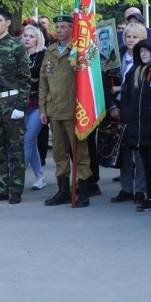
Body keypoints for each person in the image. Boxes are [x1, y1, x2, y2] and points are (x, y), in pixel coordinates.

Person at [39, 14, 95, 207]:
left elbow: (88, 80)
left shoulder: (79, 51)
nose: (60, 30)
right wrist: (42, 109)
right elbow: (43, 82)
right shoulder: (51, 51)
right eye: (58, 27)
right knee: (59, 153)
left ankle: (84, 191)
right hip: (54, 109)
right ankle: (63, 190)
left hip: (74, 110)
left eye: (64, 27)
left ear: (73, 29)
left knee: (80, 152)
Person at [0, 7, 31, 204]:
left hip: (11, 102)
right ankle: (2, 187)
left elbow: (25, 79)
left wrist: (21, 106)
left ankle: (16, 189)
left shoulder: (17, 47)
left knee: (16, 149)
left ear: (8, 23)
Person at [121, 39, 151, 210]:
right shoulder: (136, 71)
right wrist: (127, 115)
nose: (144, 54)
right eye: (141, 52)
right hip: (138, 127)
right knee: (147, 166)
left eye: (147, 51)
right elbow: (127, 96)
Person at [110, 21, 148, 204]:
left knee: (139, 153)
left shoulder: (145, 58)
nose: (131, 40)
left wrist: (121, 89)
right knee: (122, 152)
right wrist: (112, 106)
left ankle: (141, 190)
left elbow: (140, 86)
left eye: (135, 37)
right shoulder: (116, 58)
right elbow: (106, 83)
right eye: (128, 37)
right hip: (119, 111)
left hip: (138, 112)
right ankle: (126, 188)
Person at [22, 23, 47, 191]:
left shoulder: (44, 54)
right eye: (25, 36)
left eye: (31, 36)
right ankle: (39, 175)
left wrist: (29, 78)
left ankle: (15, 175)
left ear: (38, 38)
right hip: (21, 103)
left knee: (27, 140)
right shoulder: (20, 53)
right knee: (31, 143)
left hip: (39, 103)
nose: (27, 39)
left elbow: (39, 75)